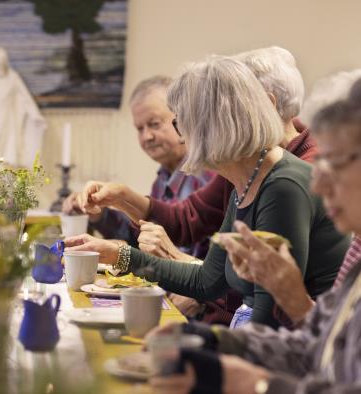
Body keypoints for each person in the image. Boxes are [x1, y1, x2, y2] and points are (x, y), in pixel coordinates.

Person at [66, 56, 349, 328]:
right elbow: (207, 281)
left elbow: (269, 319)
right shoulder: (248, 178)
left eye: (180, 122)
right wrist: (119, 254)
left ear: (209, 127)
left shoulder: (282, 186)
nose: (181, 135)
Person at [151, 86, 361, 394]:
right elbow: (315, 348)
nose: (318, 183)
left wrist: (261, 385)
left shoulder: (283, 184)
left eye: (335, 163)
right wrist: (217, 342)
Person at [62, 76, 214, 259]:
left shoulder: (207, 174)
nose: (147, 136)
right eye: (139, 128)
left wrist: (123, 197)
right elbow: (142, 240)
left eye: (154, 124)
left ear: (181, 119)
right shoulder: (163, 177)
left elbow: (185, 247)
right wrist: (99, 215)